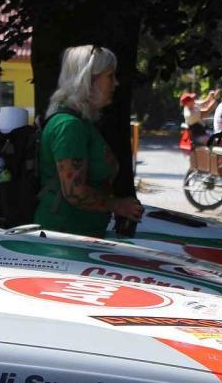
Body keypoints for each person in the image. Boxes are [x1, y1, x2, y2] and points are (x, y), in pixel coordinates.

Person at [35, 45, 143, 238]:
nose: (116, 83)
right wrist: (117, 205)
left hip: (75, 235)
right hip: (63, 240)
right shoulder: (69, 126)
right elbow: (75, 193)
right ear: (88, 80)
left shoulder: (81, 123)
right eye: (110, 76)